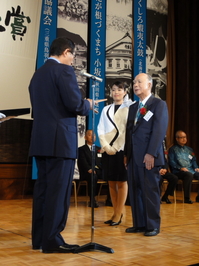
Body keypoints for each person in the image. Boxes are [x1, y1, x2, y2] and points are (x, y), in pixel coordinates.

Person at [29, 37, 93, 253]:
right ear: (66, 52)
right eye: (72, 55)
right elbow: (75, 104)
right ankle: (52, 240)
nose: (73, 60)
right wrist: (88, 104)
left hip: (40, 140)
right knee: (58, 192)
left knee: (43, 191)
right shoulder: (64, 72)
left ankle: (39, 239)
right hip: (60, 141)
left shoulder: (37, 74)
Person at [124, 73, 168, 236]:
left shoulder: (158, 104)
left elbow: (159, 131)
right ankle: (140, 224)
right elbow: (130, 133)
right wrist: (127, 155)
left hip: (149, 157)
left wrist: (151, 153)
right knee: (135, 191)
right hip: (133, 157)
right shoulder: (133, 107)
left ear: (149, 84)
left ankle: (152, 225)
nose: (135, 84)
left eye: (139, 82)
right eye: (134, 82)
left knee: (150, 191)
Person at [97, 81, 133, 226]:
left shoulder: (130, 108)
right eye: (113, 90)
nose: (116, 92)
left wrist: (118, 147)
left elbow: (128, 130)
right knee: (111, 181)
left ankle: (119, 213)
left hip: (122, 150)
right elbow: (100, 129)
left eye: (119, 89)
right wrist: (106, 145)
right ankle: (115, 212)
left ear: (125, 91)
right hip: (108, 150)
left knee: (122, 181)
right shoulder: (106, 109)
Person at [168, 130, 199, 203]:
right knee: (189, 175)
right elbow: (171, 161)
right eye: (181, 137)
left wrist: (196, 167)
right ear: (177, 139)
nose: (184, 139)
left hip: (191, 170)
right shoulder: (173, 149)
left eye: (185, 137)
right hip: (179, 171)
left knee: (193, 174)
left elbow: (193, 160)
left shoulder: (190, 150)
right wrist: (180, 168)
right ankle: (187, 198)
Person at [77, 129, 102, 208]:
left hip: (98, 171)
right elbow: (82, 162)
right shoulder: (81, 149)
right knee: (93, 177)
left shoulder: (99, 149)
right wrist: (90, 169)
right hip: (87, 172)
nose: (92, 137)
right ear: (85, 137)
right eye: (90, 135)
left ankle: (109, 200)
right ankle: (92, 200)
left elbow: (101, 162)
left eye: (93, 135)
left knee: (111, 176)